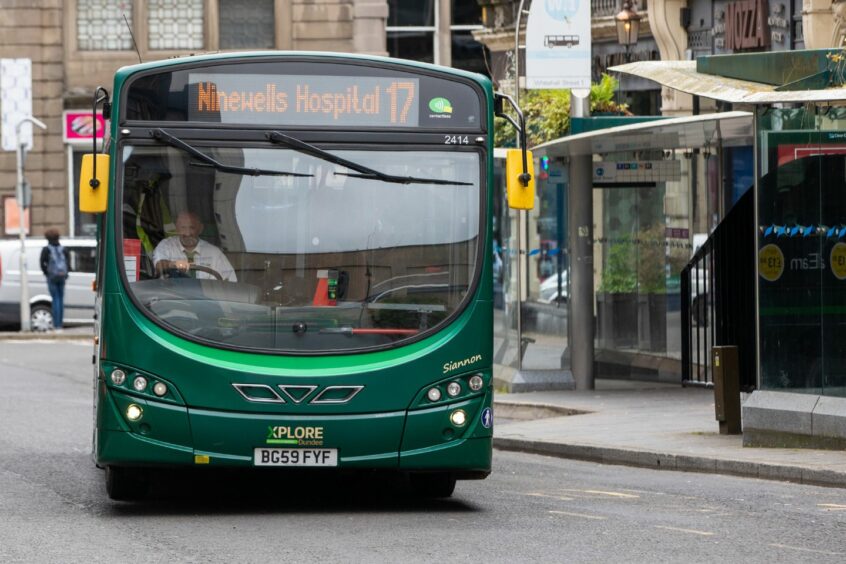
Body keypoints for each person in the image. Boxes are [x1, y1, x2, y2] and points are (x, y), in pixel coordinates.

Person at [152, 211, 237, 282]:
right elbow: (159, 265)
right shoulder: (166, 245)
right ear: (177, 229)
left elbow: (231, 283)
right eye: (183, 228)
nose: (187, 233)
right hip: (174, 298)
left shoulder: (214, 253)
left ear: (200, 229)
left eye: (192, 228)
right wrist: (174, 264)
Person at [40, 229, 71, 331]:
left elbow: (42, 263)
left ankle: (56, 324)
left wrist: (47, 273)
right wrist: (66, 274)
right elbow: (68, 263)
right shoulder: (64, 249)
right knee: (61, 299)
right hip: (62, 276)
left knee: (55, 299)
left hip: (52, 277)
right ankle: (60, 325)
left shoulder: (46, 249)